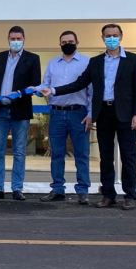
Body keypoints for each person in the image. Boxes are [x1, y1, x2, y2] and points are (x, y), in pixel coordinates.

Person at [40, 24, 136, 210]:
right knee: (105, 157)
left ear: (121, 36)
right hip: (103, 113)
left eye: (114, 35)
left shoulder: (134, 60)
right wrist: (54, 90)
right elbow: (79, 83)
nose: (111, 38)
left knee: (128, 156)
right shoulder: (96, 62)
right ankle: (108, 195)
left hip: (125, 115)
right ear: (102, 37)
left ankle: (130, 196)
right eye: (107, 35)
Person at [0, 26, 41, 201]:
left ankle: (17, 188)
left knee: (19, 152)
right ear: (8, 39)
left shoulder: (33, 59)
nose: (15, 41)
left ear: (24, 39)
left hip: (20, 111)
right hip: (0, 111)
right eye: (12, 38)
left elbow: (35, 84)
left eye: (18, 38)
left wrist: (20, 92)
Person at [36, 31, 92, 204]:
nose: (67, 44)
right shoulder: (52, 63)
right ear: (59, 44)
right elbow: (46, 83)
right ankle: (57, 189)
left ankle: (82, 191)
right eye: (64, 42)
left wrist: (91, 114)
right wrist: (37, 88)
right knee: (57, 153)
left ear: (77, 42)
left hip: (79, 114)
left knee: (81, 154)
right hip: (57, 113)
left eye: (71, 41)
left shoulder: (87, 62)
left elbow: (92, 91)